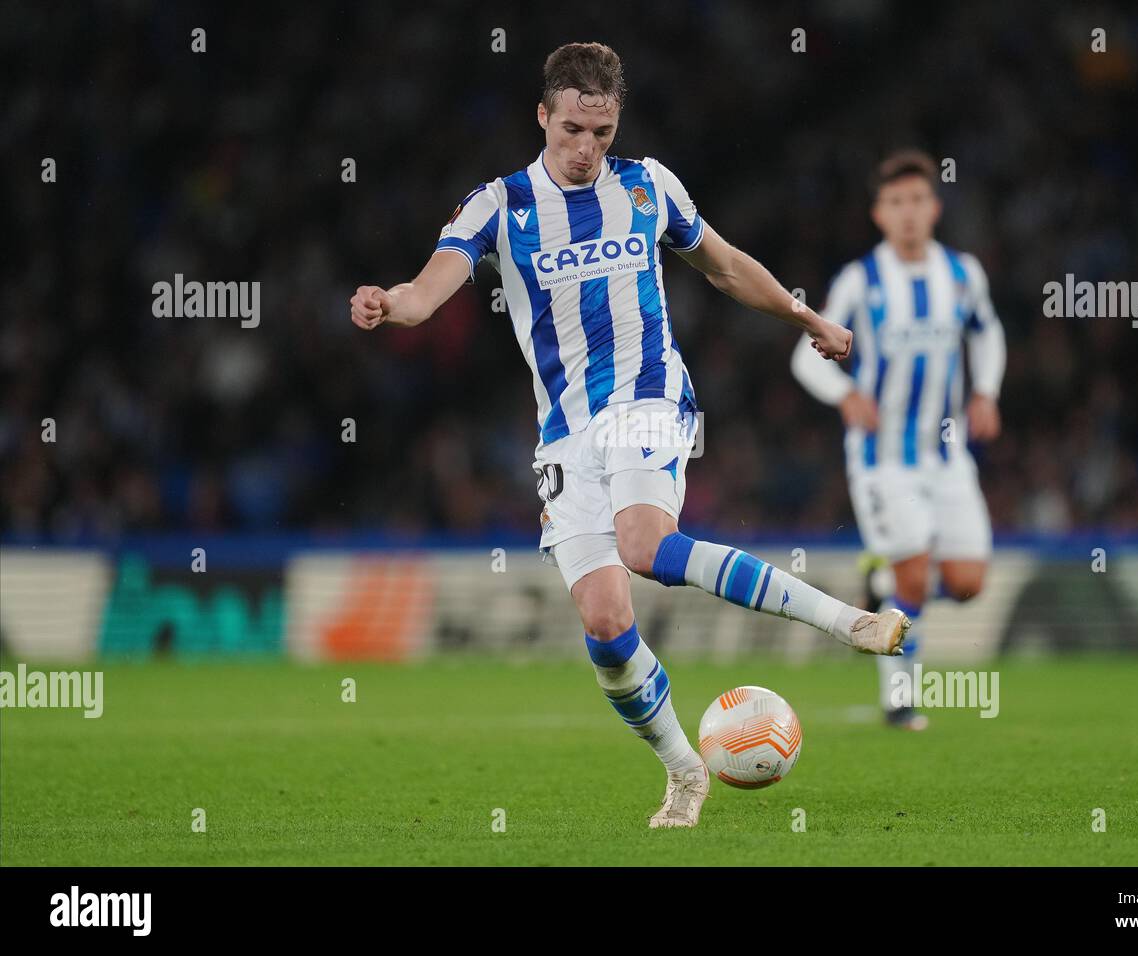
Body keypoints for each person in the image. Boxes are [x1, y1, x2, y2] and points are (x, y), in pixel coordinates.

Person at [350, 42, 909, 827]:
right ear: (542, 116)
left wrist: (803, 315)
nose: (586, 150)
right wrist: (392, 301)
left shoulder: (648, 188)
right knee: (608, 626)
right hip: (565, 436)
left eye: (602, 133)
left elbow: (722, 265)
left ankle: (847, 622)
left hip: (649, 396)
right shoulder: (498, 205)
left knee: (646, 545)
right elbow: (428, 289)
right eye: (572, 130)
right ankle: (685, 771)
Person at [791, 149, 1005, 731]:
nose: (907, 213)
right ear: (879, 214)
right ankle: (900, 703)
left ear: (934, 208)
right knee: (915, 582)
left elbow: (988, 335)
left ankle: (880, 579)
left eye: (917, 200)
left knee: (966, 583)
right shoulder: (861, 280)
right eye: (895, 203)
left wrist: (985, 391)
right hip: (882, 461)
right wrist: (845, 394)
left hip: (947, 454)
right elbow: (805, 358)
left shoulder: (962, 274)